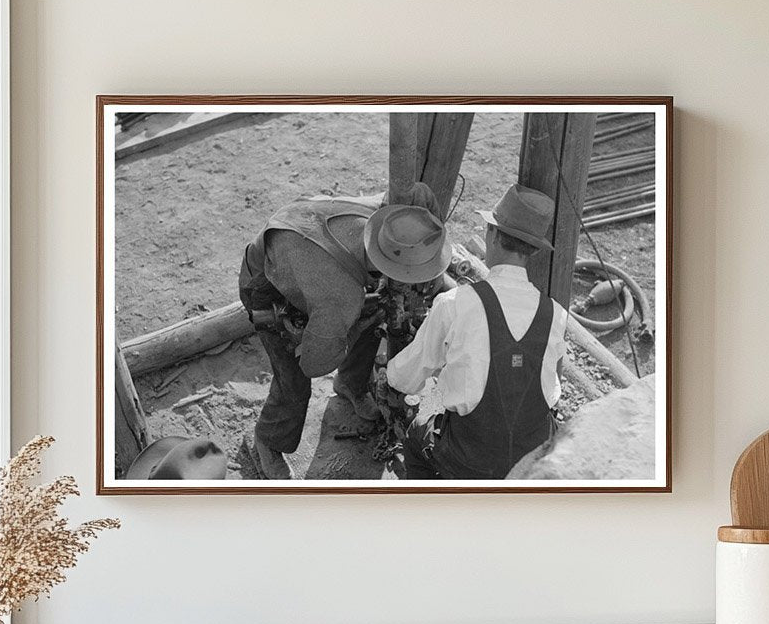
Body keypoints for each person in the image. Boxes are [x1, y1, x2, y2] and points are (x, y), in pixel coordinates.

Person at [239, 186, 451, 479]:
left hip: (303, 233)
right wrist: (353, 327)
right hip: (268, 282)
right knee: (293, 378)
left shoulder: (388, 217)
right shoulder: (340, 295)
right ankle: (268, 440)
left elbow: (418, 193)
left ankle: (351, 384)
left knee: (372, 308)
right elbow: (314, 364)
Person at [386, 184, 568, 480]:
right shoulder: (556, 314)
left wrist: (390, 375)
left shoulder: (454, 303)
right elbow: (550, 386)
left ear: (492, 235)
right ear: (533, 250)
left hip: (468, 461)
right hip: (532, 457)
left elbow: (406, 377)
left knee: (417, 435)